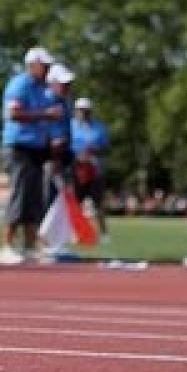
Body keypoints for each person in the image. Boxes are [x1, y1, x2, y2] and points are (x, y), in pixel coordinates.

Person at [0, 46, 59, 265]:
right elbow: (13, 113)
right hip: (19, 146)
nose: (48, 69)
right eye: (45, 65)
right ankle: (6, 245)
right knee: (19, 195)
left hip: (36, 148)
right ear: (32, 65)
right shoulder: (20, 84)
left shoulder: (43, 88)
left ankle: (30, 245)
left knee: (33, 198)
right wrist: (45, 115)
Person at [71, 97, 111, 242]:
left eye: (86, 111)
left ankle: (103, 234)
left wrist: (94, 150)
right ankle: (77, 232)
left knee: (98, 203)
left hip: (95, 170)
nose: (83, 113)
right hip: (76, 170)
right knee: (75, 203)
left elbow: (106, 147)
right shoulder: (70, 127)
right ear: (76, 111)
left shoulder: (99, 127)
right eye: (81, 110)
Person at [43, 63, 75, 212]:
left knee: (61, 196)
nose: (67, 86)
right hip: (49, 156)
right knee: (47, 196)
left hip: (63, 155)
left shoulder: (66, 102)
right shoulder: (44, 100)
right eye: (63, 83)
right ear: (52, 83)